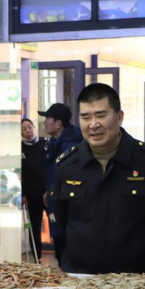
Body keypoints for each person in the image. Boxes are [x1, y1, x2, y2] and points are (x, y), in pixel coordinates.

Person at [51, 83, 145, 275]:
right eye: (86, 117)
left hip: (136, 279)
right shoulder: (67, 165)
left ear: (119, 117)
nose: (93, 124)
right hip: (80, 278)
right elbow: (62, 220)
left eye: (101, 115)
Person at [41, 103, 82, 266]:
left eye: (47, 119)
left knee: (66, 249)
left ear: (58, 123)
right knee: (60, 248)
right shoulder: (55, 142)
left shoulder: (71, 146)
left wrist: (53, 191)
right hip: (55, 199)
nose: (44, 122)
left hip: (66, 204)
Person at [20, 118, 48, 261]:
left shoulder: (45, 144)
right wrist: (23, 194)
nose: (28, 131)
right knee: (34, 228)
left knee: (56, 224)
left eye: (29, 127)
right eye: (24, 129)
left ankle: (62, 257)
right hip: (31, 196)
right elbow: (19, 174)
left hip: (48, 193)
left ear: (34, 127)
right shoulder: (20, 149)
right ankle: (37, 258)